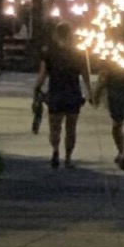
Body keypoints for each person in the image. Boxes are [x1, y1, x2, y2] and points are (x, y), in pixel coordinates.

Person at [34, 22, 88, 169]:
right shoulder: (78, 53)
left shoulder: (49, 52)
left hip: (56, 93)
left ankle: (55, 150)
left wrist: (37, 89)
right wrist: (90, 92)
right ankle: (68, 158)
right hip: (73, 94)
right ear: (71, 34)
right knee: (71, 128)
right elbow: (85, 74)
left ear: (56, 34)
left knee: (55, 127)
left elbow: (42, 75)